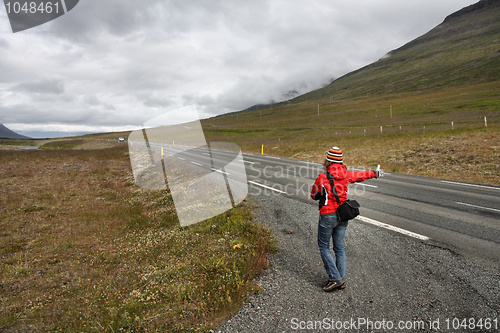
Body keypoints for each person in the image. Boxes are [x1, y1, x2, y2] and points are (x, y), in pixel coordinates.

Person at [311, 147, 379, 292]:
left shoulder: (323, 177)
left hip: (328, 215)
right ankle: (339, 279)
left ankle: (335, 278)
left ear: (328, 160)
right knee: (339, 248)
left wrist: (320, 194)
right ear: (341, 161)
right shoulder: (346, 175)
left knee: (324, 246)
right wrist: (374, 173)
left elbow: (313, 194)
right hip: (343, 215)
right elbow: (361, 175)